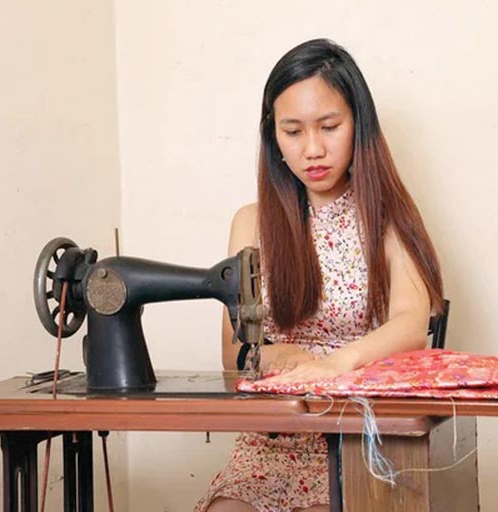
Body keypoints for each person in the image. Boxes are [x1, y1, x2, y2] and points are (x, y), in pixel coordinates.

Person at [196, 38, 443, 512]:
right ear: (273, 136)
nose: (313, 149)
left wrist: (335, 365)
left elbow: (412, 325)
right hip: (270, 441)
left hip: (357, 438)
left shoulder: (388, 221)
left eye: (329, 127)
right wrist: (283, 355)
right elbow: (234, 353)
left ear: (358, 125)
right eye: (292, 131)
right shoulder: (251, 223)